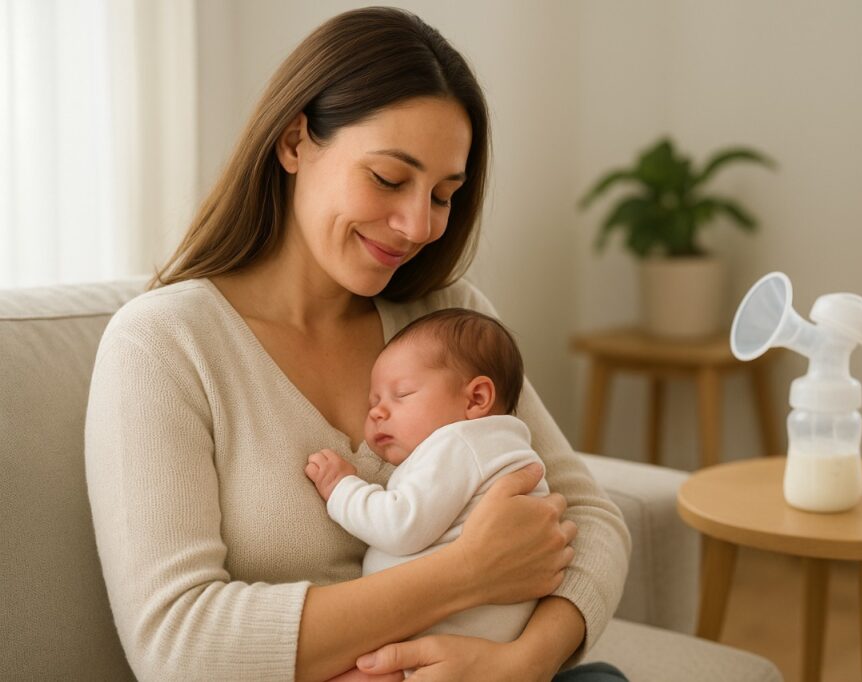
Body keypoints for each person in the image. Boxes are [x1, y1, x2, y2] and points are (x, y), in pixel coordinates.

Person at [84, 7, 629, 682]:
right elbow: (179, 645)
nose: (418, 225)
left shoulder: (447, 319)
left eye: (444, 194)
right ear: (293, 142)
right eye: (389, 179)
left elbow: (592, 521)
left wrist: (518, 663)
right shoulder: (165, 346)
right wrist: (465, 572)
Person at [305, 308, 550, 651]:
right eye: (373, 401)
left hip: (442, 636)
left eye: (401, 394)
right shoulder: (496, 449)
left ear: (476, 398)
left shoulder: (461, 443)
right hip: (470, 637)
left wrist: (342, 489)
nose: (376, 411)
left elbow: (401, 525)